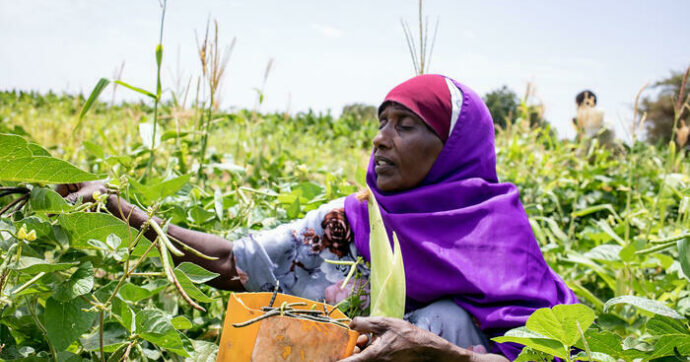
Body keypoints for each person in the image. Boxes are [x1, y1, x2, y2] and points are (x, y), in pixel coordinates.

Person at [59, 74, 577, 361]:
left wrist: (443, 353)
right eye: (381, 123)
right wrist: (113, 205)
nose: (381, 138)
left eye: (405, 125)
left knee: (449, 320)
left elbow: (556, 356)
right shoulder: (352, 222)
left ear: (452, 148)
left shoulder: (498, 238)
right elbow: (232, 263)